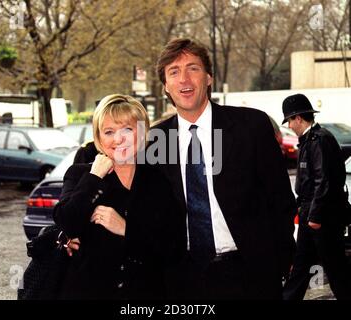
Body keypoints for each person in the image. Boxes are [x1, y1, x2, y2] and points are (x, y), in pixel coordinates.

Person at [149, 38, 297, 299]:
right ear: (165, 86)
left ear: (208, 78)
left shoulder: (251, 126)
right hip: (183, 279)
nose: (184, 79)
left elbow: (281, 199)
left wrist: (280, 260)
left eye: (192, 68)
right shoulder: (154, 140)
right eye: (174, 71)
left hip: (250, 275)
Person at [53, 94, 184, 299]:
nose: (118, 139)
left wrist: (125, 228)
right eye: (109, 132)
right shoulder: (81, 175)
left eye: (127, 129)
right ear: (98, 137)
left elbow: (173, 247)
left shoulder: (158, 180)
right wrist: (94, 177)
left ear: (141, 134)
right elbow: (66, 221)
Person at [281, 93, 351, 300]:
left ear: (298, 118)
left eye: (290, 121)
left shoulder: (319, 140)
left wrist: (314, 217)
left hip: (321, 219)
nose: (290, 126)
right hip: (310, 215)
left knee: (335, 267)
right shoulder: (309, 140)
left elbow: (324, 181)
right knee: (301, 267)